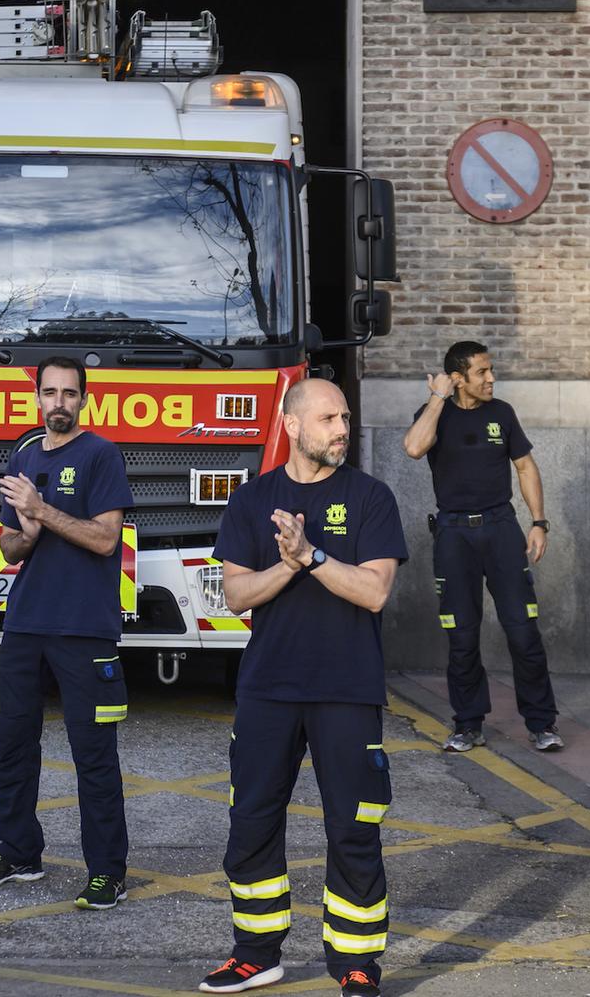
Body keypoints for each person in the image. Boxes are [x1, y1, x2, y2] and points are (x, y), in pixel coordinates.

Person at [197, 378, 407, 997]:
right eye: (328, 418)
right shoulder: (251, 500)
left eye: (343, 417)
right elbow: (236, 596)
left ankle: (358, 963)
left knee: (353, 824)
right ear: (291, 425)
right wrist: (285, 567)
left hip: (348, 687)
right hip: (269, 687)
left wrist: (311, 556)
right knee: (253, 818)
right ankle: (255, 953)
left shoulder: (371, 498)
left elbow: (373, 591)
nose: (341, 429)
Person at [0, 357, 135, 910]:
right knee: (11, 746)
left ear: (84, 400)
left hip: (85, 629)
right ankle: (18, 851)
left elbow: (107, 540)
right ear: (36, 398)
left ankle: (107, 871)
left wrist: (43, 509)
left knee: (94, 755)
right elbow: (10, 547)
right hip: (25, 625)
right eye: (50, 393)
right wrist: (28, 529)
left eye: (69, 393)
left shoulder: (101, 455)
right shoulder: (23, 457)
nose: (59, 402)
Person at [401, 340, 563, 754]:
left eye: (491, 371)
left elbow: (525, 466)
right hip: (454, 535)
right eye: (481, 373)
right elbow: (415, 448)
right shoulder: (433, 415)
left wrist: (539, 523)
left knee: (523, 631)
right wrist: (438, 397)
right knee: (462, 636)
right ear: (458, 379)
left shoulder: (502, 414)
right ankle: (468, 724)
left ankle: (542, 724)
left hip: (501, 529)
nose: (491, 379)